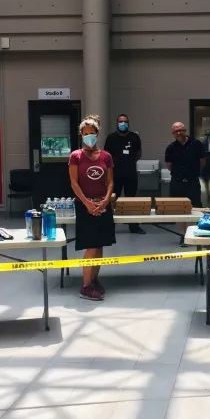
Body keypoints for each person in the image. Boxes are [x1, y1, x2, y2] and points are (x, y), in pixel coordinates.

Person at [69, 115, 116, 301]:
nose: (89, 137)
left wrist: (104, 202)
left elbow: (110, 182)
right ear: (81, 135)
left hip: (102, 205)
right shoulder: (75, 156)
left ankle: (95, 279)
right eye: (85, 134)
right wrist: (88, 203)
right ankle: (85, 286)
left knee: (100, 245)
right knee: (90, 246)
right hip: (84, 206)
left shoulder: (106, 157)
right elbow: (74, 183)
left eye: (92, 133)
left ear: (97, 134)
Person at [165, 122, 206, 247]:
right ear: (173, 134)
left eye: (181, 130)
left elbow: (202, 162)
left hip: (192, 181)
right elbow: (169, 165)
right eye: (176, 131)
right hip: (177, 182)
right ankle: (183, 235)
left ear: (185, 130)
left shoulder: (196, 144)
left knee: (197, 207)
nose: (179, 133)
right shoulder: (171, 148)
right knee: (179, 209)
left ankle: (196, 233)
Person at [104, 113, 145, 234]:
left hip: (130, 174)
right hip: (114, 174)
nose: (123, 124)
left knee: (131, 201)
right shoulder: (111, 137)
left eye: (125, 121)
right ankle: (109, 227)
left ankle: (134, 226)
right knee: (112, 200)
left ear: (128, 123)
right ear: (117, 123)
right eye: (120, 121)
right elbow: (106, 155)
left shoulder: (134, 137)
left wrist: (128, 162)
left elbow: (138, 154)